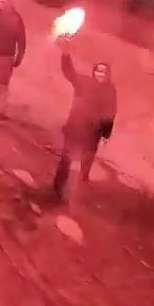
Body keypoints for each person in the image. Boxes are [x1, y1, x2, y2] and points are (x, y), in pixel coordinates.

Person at [52, 44, 116, 199]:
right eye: (98, 70)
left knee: (86, 161)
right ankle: (57, 190)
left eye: (104, 72)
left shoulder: (110, 90)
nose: (100, 74)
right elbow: (69, 72)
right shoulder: (83, 82)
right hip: (75, 127)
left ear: (108, 75)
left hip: (92, 133)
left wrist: (106, 135)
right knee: (66, 160)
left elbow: (110, 113)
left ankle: (81, 188)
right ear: (94, 72)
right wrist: (65, 54)